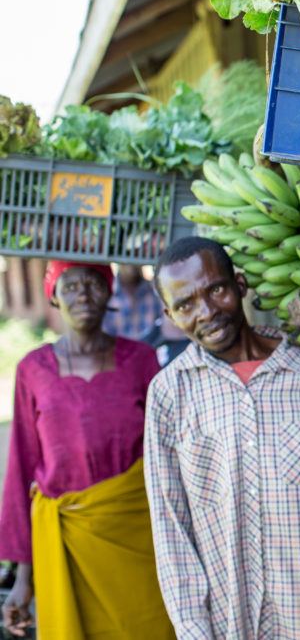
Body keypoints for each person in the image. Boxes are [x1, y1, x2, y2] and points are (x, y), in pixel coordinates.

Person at [144, 237, 300, 639]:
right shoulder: (170, 393)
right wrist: (193, 630)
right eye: (186, 305)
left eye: (216, 290)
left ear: (240, 285)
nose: (206, 312)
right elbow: (170, 525)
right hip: (234, 622)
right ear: (169, 314)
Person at [0, 261, 173, 639]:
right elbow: (22, 465)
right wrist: (22, 577)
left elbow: (167, 451)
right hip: (65, 545)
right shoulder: (34, 369)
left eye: (94, 284)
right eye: (71, 285)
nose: (83, 294)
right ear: (54, 296)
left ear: (109, 291)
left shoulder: (140, 360)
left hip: (137, 539)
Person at [103, 263, 163, 340]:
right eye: (127, 254)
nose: (131, 264)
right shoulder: (108, 294)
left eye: (137, 253)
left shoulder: (155, 292)